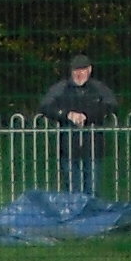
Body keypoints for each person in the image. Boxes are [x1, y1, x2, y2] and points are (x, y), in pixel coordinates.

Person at [39, 56, 123, 195]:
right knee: (72, 191)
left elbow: (111, 105)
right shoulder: (61, 88)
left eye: (82, 70)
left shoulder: (98, 88)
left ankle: (91, 215)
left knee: (92, 190)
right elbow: (45, 106)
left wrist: (88, 115)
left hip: (93, 146)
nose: (79, 74)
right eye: (76, 70)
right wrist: (67, 115)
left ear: (89, 70)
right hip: (68, 147)